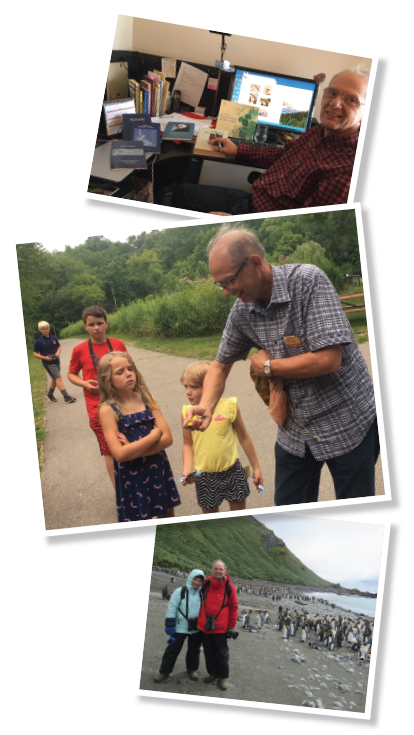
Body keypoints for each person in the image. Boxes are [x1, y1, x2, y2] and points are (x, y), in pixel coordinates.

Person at [184, 225, 380, 505]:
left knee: (355, 509)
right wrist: (207, 404)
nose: (226, 292)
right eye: (221, 285)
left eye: (229, 281)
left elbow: (328, 359)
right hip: (295, 431)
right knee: (289, 510)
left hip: (348, 422)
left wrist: (269, 367)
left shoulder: (308, 281)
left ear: (254, 262)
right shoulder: (242, 310)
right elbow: (220, 364)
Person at [171, 70, 368, 215]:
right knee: (180, 192)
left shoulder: (349, 171)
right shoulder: (319, 132)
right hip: (252, 200)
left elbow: (305, 228)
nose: (334, 104)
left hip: (257, 219)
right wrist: (238, 149)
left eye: (351, 99)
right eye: (332, 93)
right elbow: (284, 154)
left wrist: (235, 224)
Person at [97, 351, 180, 521]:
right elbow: (120, 455)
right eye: (120, 372)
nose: (128, 374)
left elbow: (168, 439)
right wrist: (153, 435)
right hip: (132, 476)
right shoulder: (107, 410)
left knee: (167, 518)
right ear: (108, 379)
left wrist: (132, 449)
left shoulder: (148, 399)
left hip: (157, 468)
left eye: (130, 369)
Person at [180, 361, 263, 513]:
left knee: (239, 519)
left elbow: (244, 437)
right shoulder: (187, 413)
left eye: (194, 386)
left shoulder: (230, 406)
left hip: (232, 471)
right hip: (204, 477)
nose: (188, 392)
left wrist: (256, 467)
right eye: (185, 386)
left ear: (209, 387)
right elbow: (187, 444)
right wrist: (187, 469)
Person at [67, 306, 128, 490]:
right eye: (91, 324)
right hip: (98, 409)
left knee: (127, 443)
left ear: (106, 323)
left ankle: (131, 485)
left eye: (100, 323)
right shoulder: (79, 350)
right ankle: (119, 491)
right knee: (110, 451)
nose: (96, 328)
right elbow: (71, 374)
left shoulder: (118, 344)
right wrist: (85, 384)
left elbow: (129, 369)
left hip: (124, 405)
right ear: (85, 326)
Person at [153, 569, 205, 682]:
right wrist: (170, 625)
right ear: (190, 579)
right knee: (172, 649)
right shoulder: (179, 591)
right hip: (179, 627)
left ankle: (192, 669)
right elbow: (172, 608)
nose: (197, 582)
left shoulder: (202, 594)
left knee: (194, 650)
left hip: (195, 629)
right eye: (195, 579)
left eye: (200, 580)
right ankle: (164, 671)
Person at [197, 560, 238, 691]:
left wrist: (231, 626)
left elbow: (234, 607)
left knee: (222, 653)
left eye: (221, 569)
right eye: (216, 569)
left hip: (220, 627)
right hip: (205, 625)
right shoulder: (206, 583)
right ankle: (212, 673)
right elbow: (196, 595)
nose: (218, 571)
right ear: (212, 570)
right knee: (208, 652)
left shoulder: (230, 588)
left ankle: (222, 677)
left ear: (225, 571)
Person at [33, 321, 76, 403]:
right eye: (43, 329)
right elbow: (35, 354)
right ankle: (66, 397)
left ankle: (50, 394)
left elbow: (59, 347)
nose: (45, 330)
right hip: (48, 363)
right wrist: (45, 358)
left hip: (56, 360)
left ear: (49, 328)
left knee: (54, 379)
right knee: (58, 378)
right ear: (40, 330)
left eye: (47, 328)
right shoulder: (38, 341)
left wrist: (57, 353)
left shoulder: (53, 337)